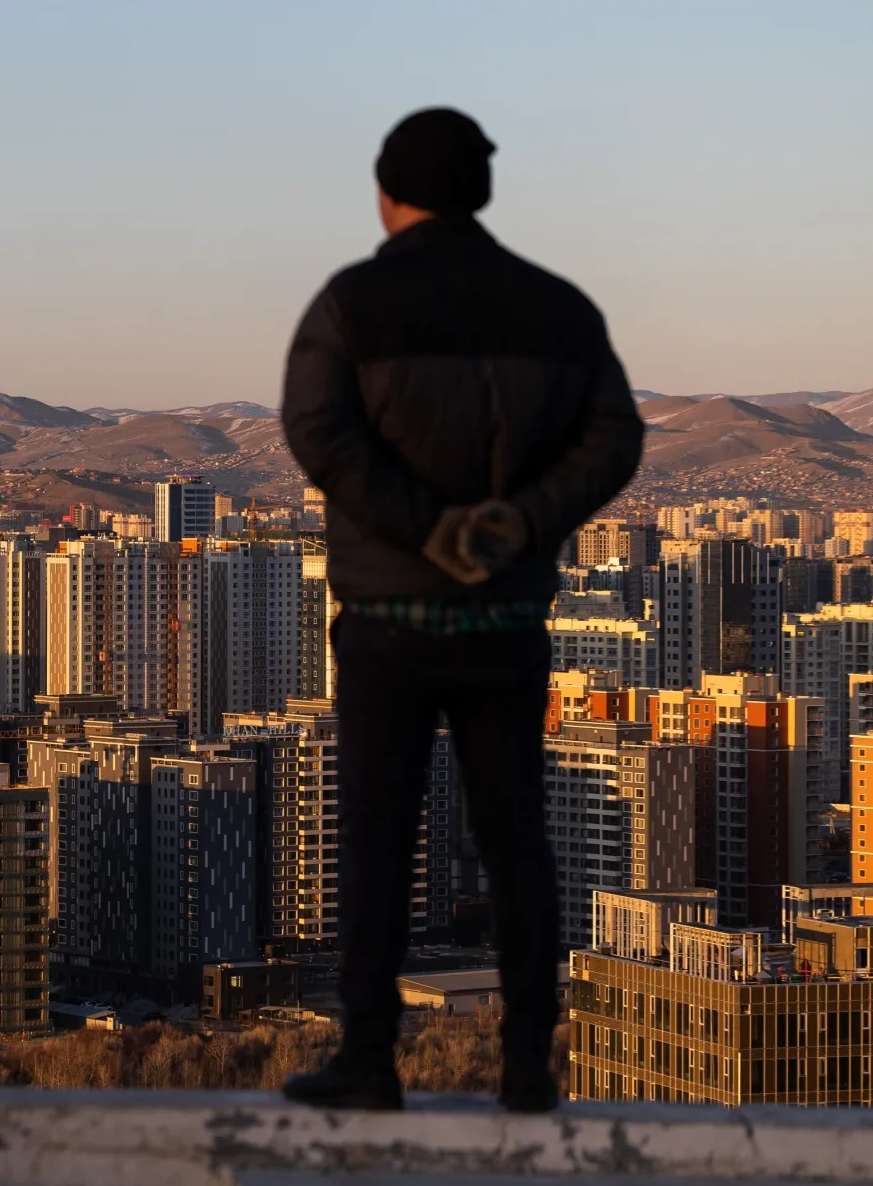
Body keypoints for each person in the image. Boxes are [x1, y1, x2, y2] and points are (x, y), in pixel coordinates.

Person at [277, 108, 643, 1112]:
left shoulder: (351, 305)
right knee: (515, 838)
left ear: (385, 195)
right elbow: (613, 440)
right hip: (503, 626)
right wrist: (512, 525)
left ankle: (365, 1058)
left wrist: (418, 527)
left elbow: (315, 430)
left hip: (390, 621)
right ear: (480, 192)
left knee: (375, 838)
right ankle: (528, 1063)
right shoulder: (556, 310)